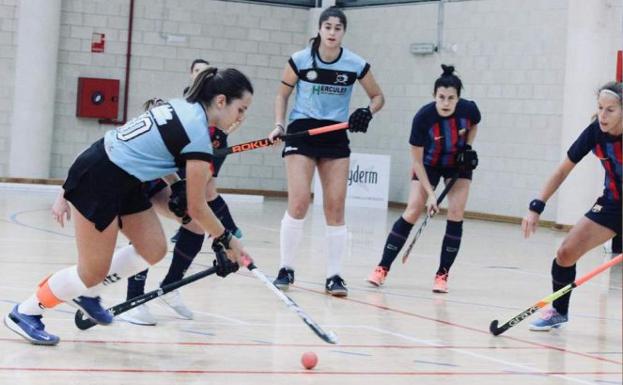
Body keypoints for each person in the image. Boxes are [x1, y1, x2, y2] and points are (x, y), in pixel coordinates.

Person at [5, 67, 253, 345]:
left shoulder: (181, 107)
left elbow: (151, 149)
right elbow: (198, 207)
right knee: (90, 271)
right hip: (100, 176)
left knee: (153, 248)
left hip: (127, 178)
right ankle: (24, 312)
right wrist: (228, 239)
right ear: (221, 101)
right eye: (241, 109)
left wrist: (175, 184)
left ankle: (86, 292)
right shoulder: (198, 133)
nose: (241, 118)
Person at [267, 6, 384, 297]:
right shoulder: (299, 60)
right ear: (319, 29)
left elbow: (378, 97)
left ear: (343, 32)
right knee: (299, 203)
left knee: (335, 207)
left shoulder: (356, 63)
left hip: (335, 134)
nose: (332, 32)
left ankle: (334, 275)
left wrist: (366, 112)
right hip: (302, 131)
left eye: (338, 28)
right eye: (328, 27)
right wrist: (280, 125)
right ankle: (286, 268)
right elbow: (282, 94)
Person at [121, 59, 243, 325]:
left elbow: (207, 187)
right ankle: (134, 300)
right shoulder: (183, 114)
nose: (240, 116)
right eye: (240, 109)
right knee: (145, 230)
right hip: (141, 179)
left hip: (168, 182)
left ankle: (171, 286)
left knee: (196, 226)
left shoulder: (216, 135)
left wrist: (220, 233)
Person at [366, 65, 480, 293]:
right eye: (441, 97)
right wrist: (431, 195)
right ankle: (382, 268)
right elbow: (417, 162)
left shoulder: (469, 110)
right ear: (434, 96)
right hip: (428, 164)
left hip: (457, 163)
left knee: (456, 213)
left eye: (451, 98)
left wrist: (467, 147)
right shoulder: (423, 118)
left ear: (458, 98)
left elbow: (474, 125)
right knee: (413, 210)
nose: (446, 103)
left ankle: (442, 275)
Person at [522, 81, 622, 331]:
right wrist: (537, 206)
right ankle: (558, 311)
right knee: (566, 253)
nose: (602, 115)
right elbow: (562, 170)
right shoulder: (594, 133)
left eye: (610, 110)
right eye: (600, 107)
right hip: (612, 205)